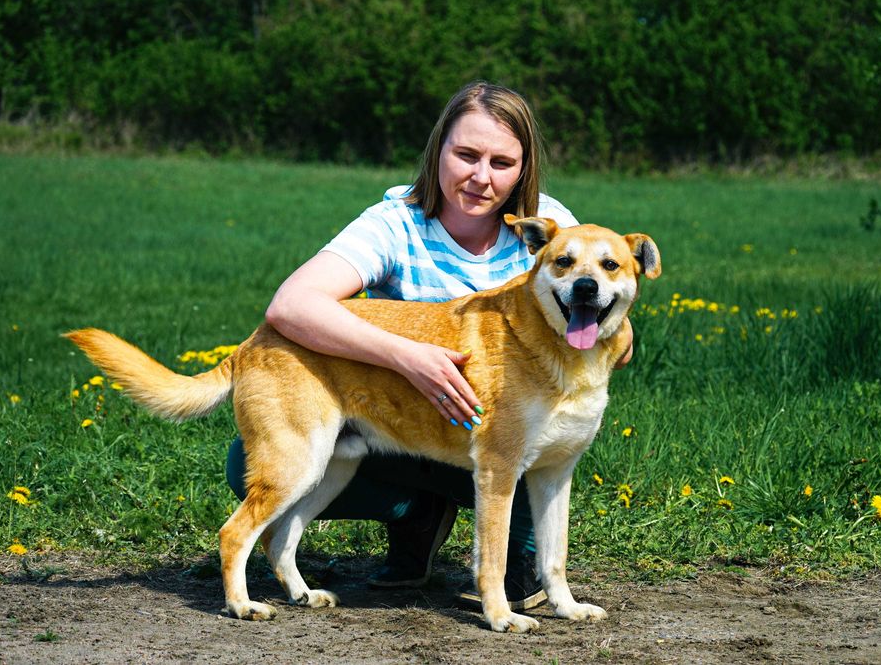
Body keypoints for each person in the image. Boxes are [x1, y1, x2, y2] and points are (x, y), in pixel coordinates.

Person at [226, 80, 633, 611]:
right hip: (407, 418)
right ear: (438, 148)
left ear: (523, 169)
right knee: (256, 467)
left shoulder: (554, 229)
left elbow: (606, 296)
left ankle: (513, 562)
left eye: (502, 162)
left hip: (506, 431)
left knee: (523, 552)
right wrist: (408, 355)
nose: (481, 176)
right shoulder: (395, 223)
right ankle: (416, 514)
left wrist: (613, 327)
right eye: (466, 154)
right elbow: (289, 307)